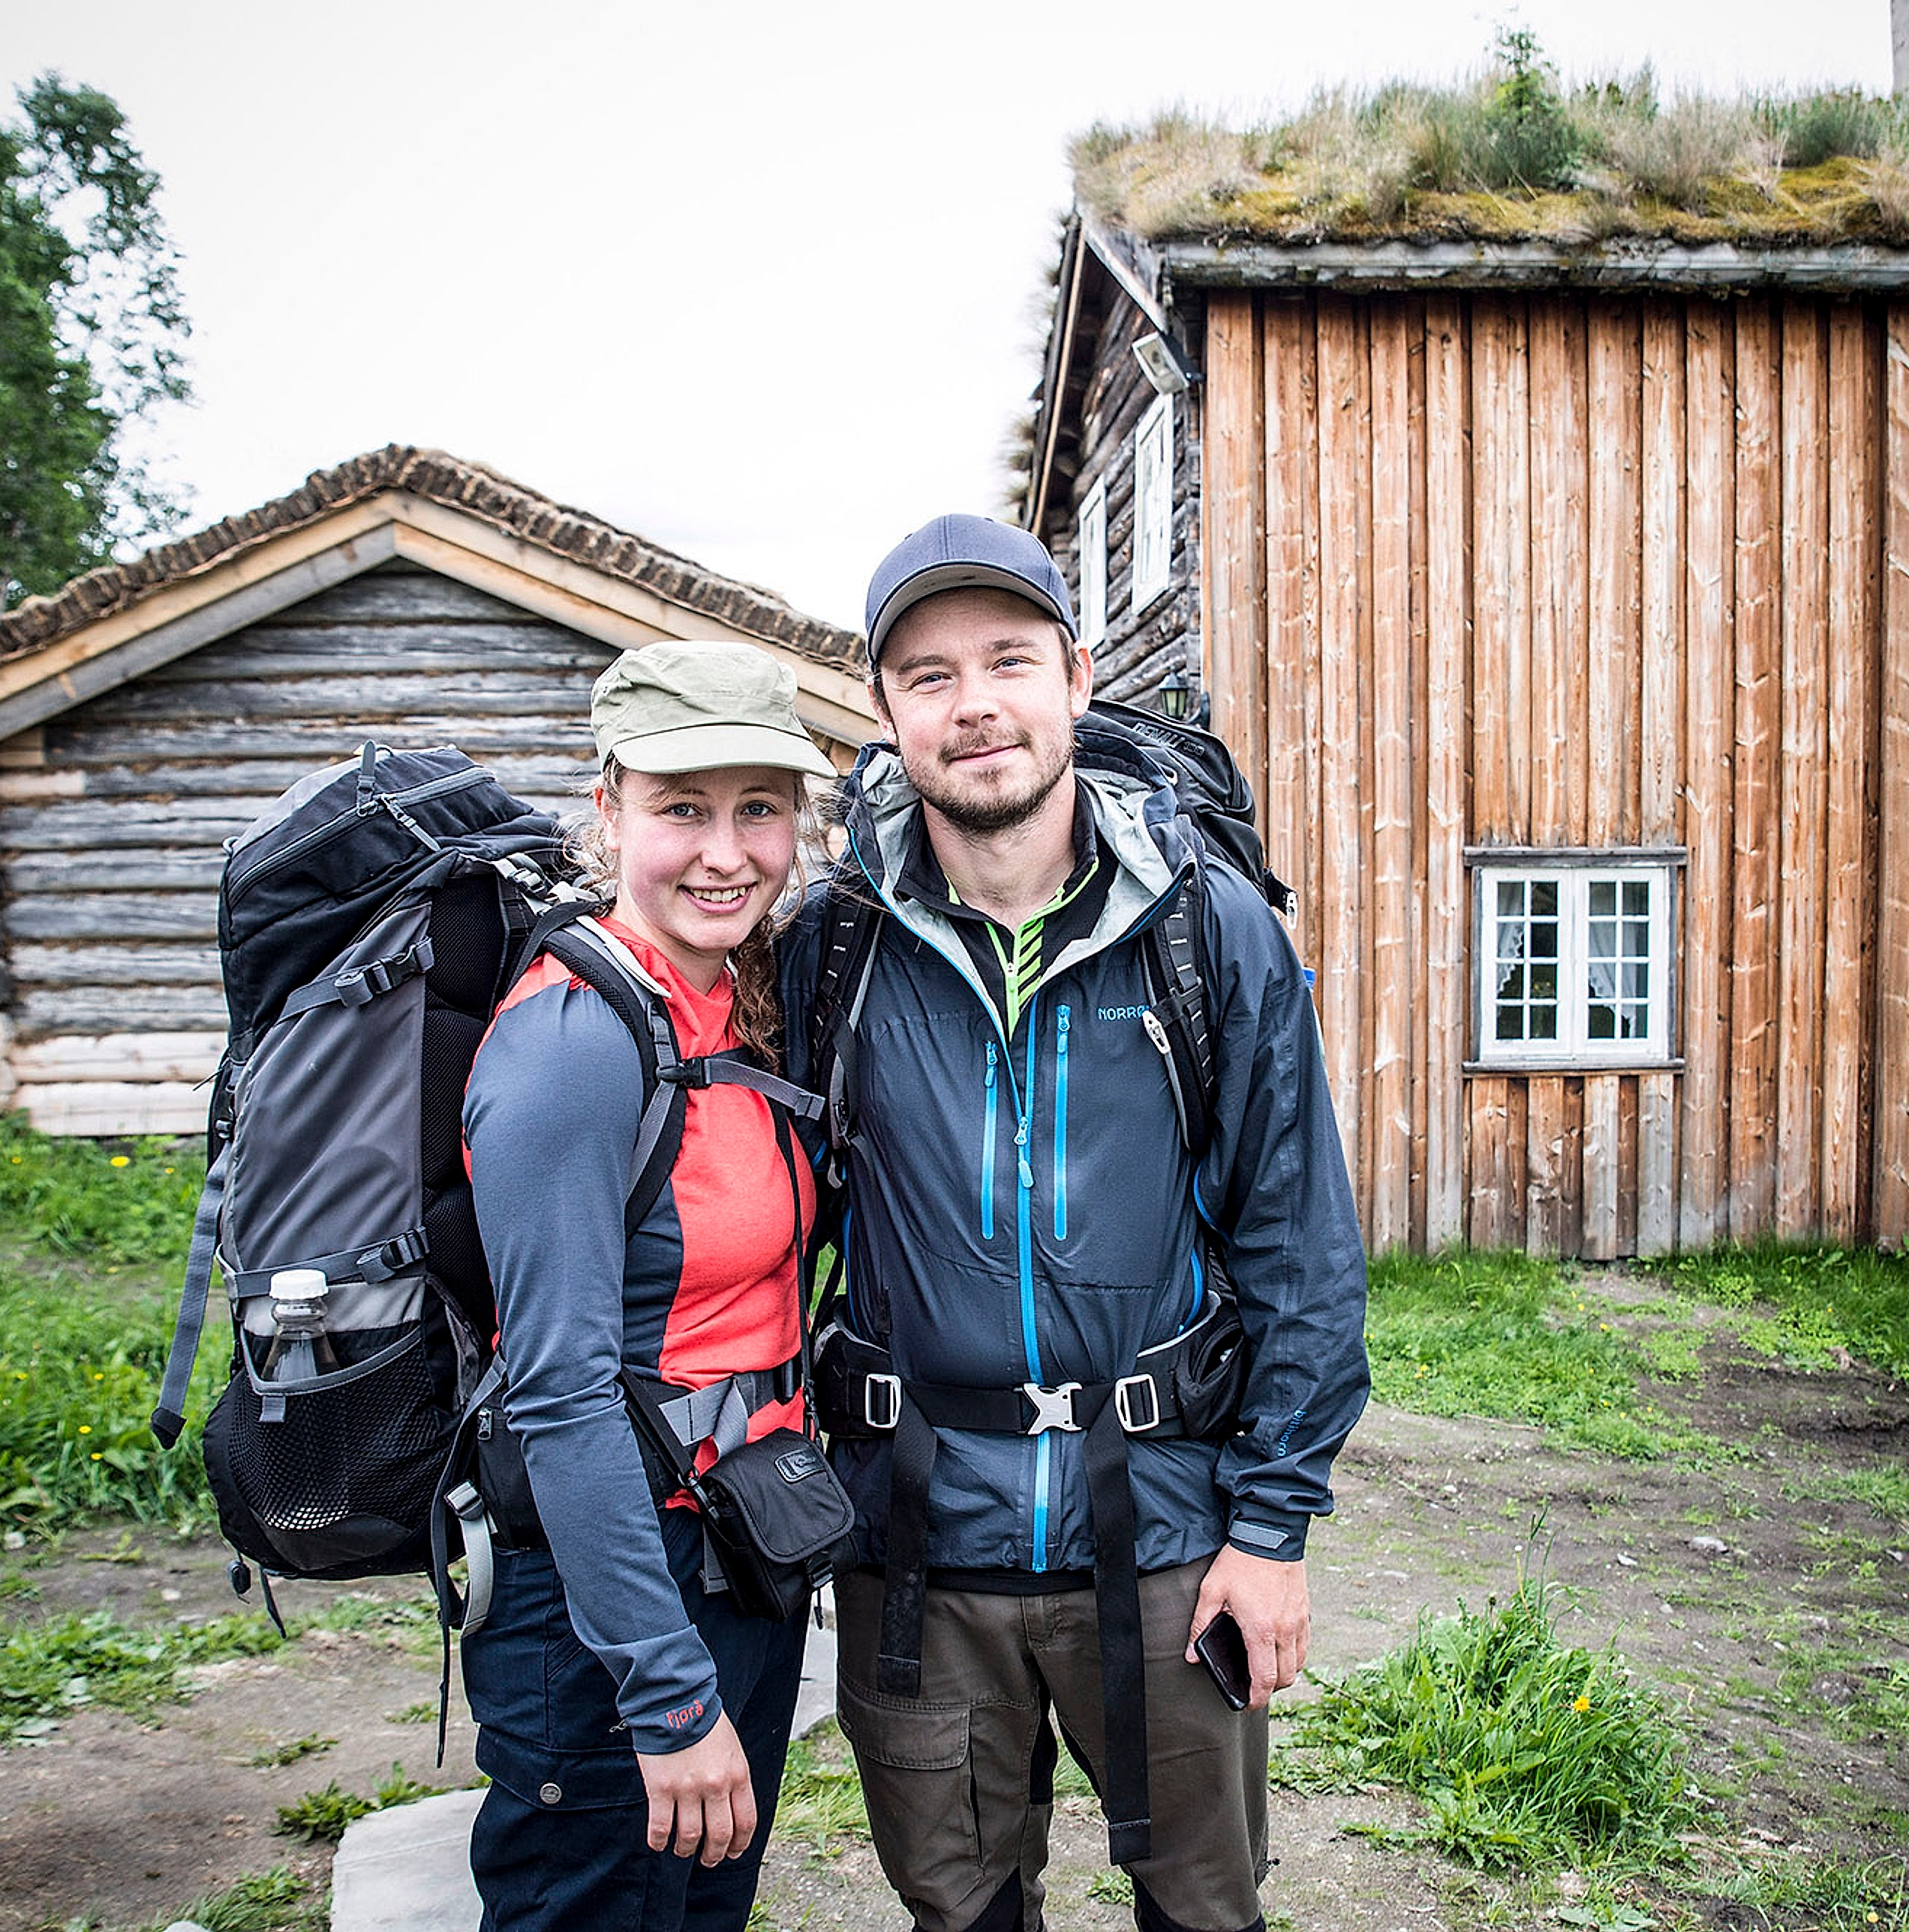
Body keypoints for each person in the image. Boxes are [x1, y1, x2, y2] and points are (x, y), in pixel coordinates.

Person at [786, 516, 1371, 1932]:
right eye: (928, 674)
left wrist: (1273, 1528)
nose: (973, 702)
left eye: (1008, 660)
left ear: (1079, 677)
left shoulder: (1204, 928)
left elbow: (1300, 1246)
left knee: (1203, 1912)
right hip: (918, 1543)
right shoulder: (833, 946)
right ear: (886, 714)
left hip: (1168, 1529)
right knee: (964, 1916)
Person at [460, 638, 837, 1932]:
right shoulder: (574, 1041)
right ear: (610, 809)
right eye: (683, 808)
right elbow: (559, 1394)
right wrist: (667, 1694)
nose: (725, 851)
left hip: (739, 1547)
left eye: (759, 809)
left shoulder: (735, 1002)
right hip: (611, 1599)